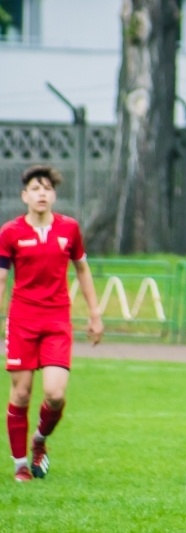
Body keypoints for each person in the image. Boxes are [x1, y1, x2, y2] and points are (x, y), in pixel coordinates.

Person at [0, 164, 104, 482]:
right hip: (22, 321)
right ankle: (20, 466)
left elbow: (83, 270)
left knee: (55, 394)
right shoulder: (10, 233)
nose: (41, 193)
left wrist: (95, 314)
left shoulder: (69, 229)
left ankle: (40, 441)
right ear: (25, 196)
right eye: (35, 188)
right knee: (20, 395)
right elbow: (2, 278)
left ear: (54, 195)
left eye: (46, 188)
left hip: (57, 319)